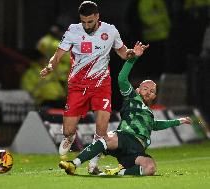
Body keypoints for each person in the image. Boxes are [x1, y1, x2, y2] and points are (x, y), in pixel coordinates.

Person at [59, 41, 192, 176]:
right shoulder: (133, 98)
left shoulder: (149, 114)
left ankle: (118, 172)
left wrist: (179, 121)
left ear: (154, 96)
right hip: (125, 138)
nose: (148, 92)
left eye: (152, 91)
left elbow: (156, 125)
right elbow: (122, 78)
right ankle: (73, 164)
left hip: (137, 149)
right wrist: (134, 57)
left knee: (150, 168)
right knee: (108, 138)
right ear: (137, 90)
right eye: (145, 89)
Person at [40, 1, 135, 174]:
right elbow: (58, 54)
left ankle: (93, 164)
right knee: (68, 130)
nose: (86, 25)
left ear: (97, 17)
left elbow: (122, 53)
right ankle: (70, 137)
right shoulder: (72, 31)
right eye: (83, 21)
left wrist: (132, 53)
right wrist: (50, 66)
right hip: (77, 86)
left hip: (101, 86)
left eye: (90, 22)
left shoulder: (110, 31)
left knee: (101, 129)